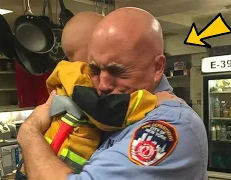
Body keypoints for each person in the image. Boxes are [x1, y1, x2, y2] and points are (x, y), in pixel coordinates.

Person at [17, 7, 208, 180]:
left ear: (157, 67)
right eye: (94, 70)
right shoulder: (113, 112)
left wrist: (29, 132)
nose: (102, 85)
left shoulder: (170, 126)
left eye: (117, 71)